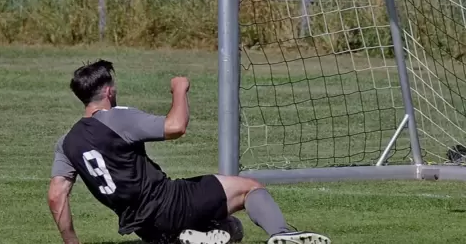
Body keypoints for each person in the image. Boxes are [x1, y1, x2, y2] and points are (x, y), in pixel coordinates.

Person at [47, 59, 331, 244]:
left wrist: (71, 241)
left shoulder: (66, 142)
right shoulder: (118, 118)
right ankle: (283, 236)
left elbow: (56, 196)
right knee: (249, 188)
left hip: (143, 226)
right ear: (108, 91)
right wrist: (179, 90)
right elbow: (176, 126)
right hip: (170, 202)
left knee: (231, 229)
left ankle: (188, 237)